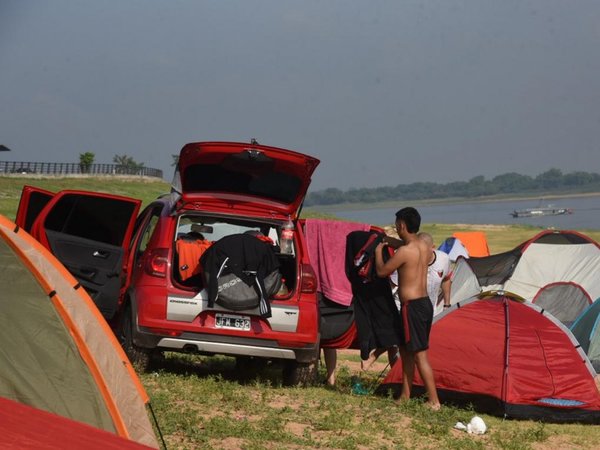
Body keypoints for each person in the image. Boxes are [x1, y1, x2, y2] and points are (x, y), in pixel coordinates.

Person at [374, 207, 440, 410]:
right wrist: (389, 241)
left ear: (402, 225)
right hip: (424, 305)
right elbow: (406, 245)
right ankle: (405, 395)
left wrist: (378, 252)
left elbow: (382, 272)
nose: (396, 227)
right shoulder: (423, 246)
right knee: (406, 351)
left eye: (397, 224)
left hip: (411, 307)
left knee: (419, 354)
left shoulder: (404, 251)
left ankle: (434, 401)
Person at [418, 232, 452, 315]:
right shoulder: (410, 260)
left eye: (424, 249)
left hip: (432, 312)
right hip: (412, 312)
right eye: (418, 249)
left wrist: (446, 305)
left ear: (433, 248)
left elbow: (446, 279)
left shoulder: (444, 259)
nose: (421, 252)